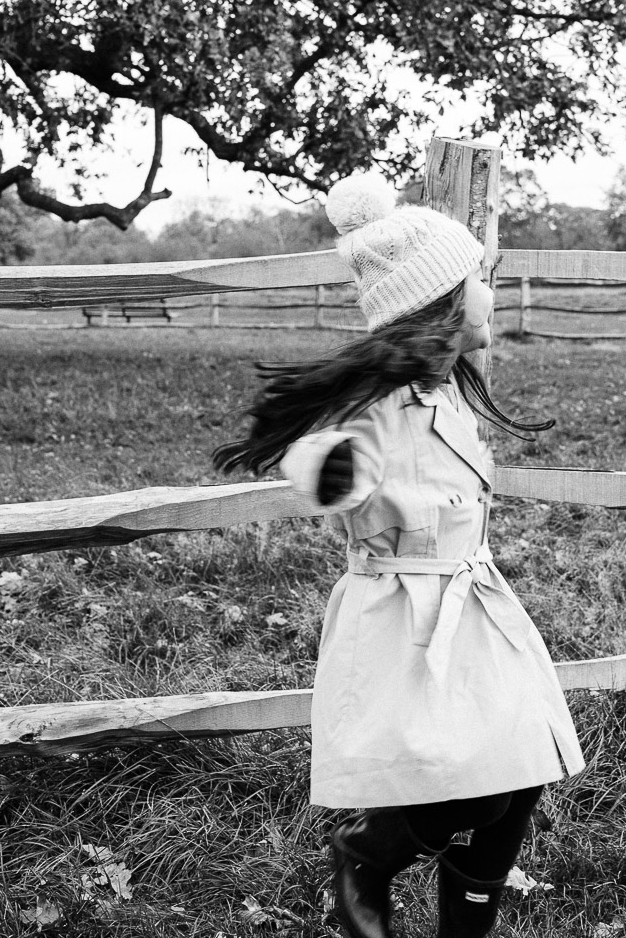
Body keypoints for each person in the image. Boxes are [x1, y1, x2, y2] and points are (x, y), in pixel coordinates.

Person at [213, 171, 585, 938]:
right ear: (442, 301)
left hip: (473, 601)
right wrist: (331, 471)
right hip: (407, 613)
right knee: (473, 789)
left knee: (520, 778)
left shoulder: (452, 389)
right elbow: (319, 461)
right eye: (479, 279)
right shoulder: (379, 406)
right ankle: (366, 850)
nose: (490, 293)